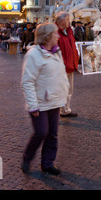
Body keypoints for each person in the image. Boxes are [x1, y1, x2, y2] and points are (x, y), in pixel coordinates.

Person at [20, 22, 69, 175]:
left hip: (55, 100)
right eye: (55, 34)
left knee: (53, 134)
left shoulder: (56, 52)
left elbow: (61, 75)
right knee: (41, 132)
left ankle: (48, 163)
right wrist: (33, 105)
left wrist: (64, 92)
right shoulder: (33, 54)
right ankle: (27, 157)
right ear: (47, 36)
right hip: (40, 103)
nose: (58, 36)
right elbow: (27, 82)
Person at [55, 12, 80, 118]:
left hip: (70, 65)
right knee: (62, 89)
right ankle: (62, 110)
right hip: (62, 67)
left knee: (69, 89)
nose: (69, 22)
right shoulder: (55, 34)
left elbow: (72, 47)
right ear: (61, 21)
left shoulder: (69, 32)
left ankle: (66, 109)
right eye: (67, 20)